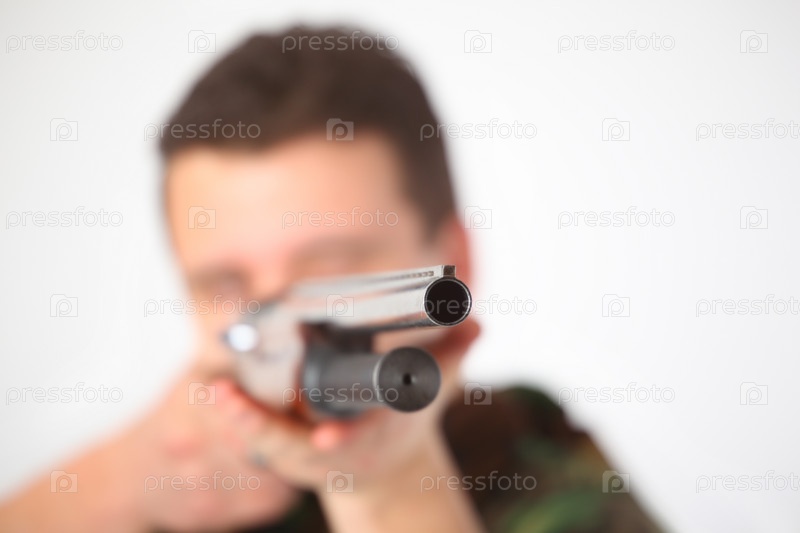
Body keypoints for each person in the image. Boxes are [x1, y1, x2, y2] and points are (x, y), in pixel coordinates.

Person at [0, 26, 661, 533]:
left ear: (453, 262)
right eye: (226, 282)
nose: (280, 316)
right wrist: (122, 480)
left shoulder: (552, 481)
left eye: (330, 270)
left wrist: (390, 484)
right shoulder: (170, 468)